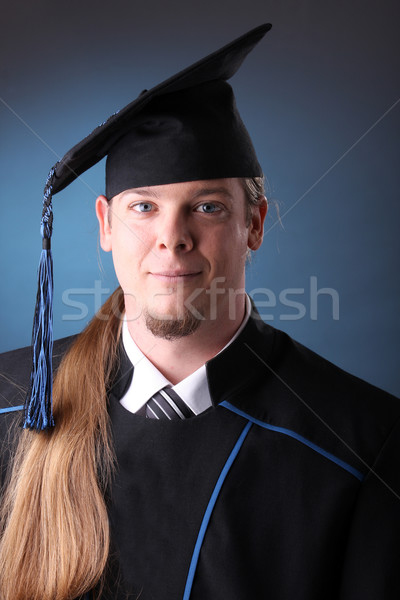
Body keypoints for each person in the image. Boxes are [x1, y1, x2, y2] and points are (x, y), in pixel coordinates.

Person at [0, 23, 399, 600]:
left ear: (253, 225)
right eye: (144, 207)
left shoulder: (362, 447)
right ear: (106, 226)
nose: (172, 238)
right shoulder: (12, 405)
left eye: (207, 206)